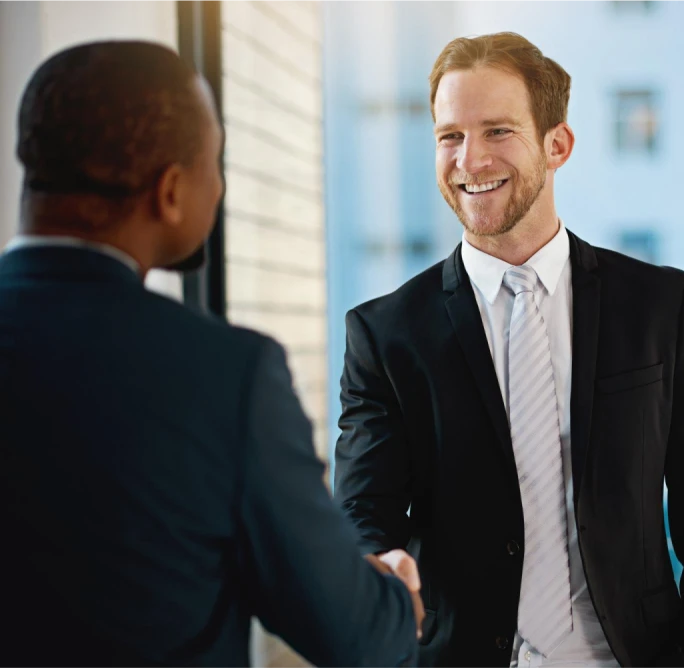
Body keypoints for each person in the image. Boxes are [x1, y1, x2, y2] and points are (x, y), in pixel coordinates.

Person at [334, 32, 684, 668]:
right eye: (450, 136)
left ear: (557, 144)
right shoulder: (385, 336)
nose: (469, 161)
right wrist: (376, 565)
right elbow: (365, 513)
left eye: (497, 131)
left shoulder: (660, 308)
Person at [0, 40, 421, 667]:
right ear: (169, 192)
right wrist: (393, 593)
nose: (220, 187)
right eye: (216, 164)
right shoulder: (226, 378)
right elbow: (355, 636)